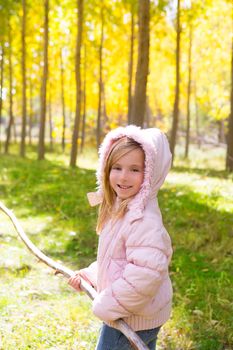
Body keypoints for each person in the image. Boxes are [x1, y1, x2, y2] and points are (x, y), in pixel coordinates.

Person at [68, 125, 173, 350]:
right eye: (117, 167)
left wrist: (106, 305)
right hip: (135, 312)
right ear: (106, 169)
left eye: (135, 170)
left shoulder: (144, 221)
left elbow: (145, 276)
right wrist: (90, 275)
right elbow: (115, 260)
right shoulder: (122, 208)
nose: (123, 177)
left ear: (150, 174)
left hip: (131, 318)